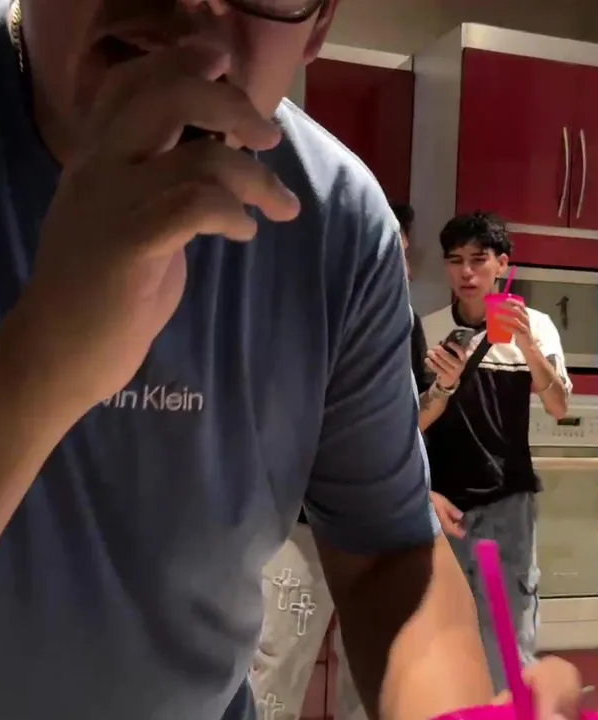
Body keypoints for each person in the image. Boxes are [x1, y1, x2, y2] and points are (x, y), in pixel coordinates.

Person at [0, 0, 598, 717]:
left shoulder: (334, 223)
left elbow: (389, 556)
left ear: (319, 25)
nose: (189, 10)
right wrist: (40, 363)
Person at [250, 201, 426, 720]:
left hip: (377, 532)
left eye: (399, 254)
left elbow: (403, 426)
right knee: (276, 665)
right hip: (295, 525)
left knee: (373, 674)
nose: (393, 267)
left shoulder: (406, 325)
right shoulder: (290, 316)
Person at [418, 211, 572, 693]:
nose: (466, 272)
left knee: (508, 642)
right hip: (440, 506)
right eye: (455, 260)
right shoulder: (427, 329)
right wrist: (444, 384)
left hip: (507, 505)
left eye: (478, 260)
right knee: (440, 641)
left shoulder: (537, 326)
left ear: (502, 264)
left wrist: (527, 346)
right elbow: (409, 425)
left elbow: (559, 407)